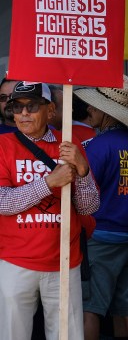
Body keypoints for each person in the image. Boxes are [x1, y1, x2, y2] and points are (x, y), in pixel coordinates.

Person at [0, 81, 100, 339]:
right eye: (16, 107)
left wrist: (83, 170)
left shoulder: (69, 143)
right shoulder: (3, 146)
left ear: (50, 110)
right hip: (15, 261)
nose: (22, 114)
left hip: (64, 261)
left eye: (31, 106)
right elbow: (3, 203)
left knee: (66, 335)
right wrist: (48, 183)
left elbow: (89, 206)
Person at [74, 75, 128, 340]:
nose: (90, 110)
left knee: (91, 308)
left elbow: (81, 194)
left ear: (106, 112)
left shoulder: (95, 148)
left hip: (101, 237)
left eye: (94, 106)